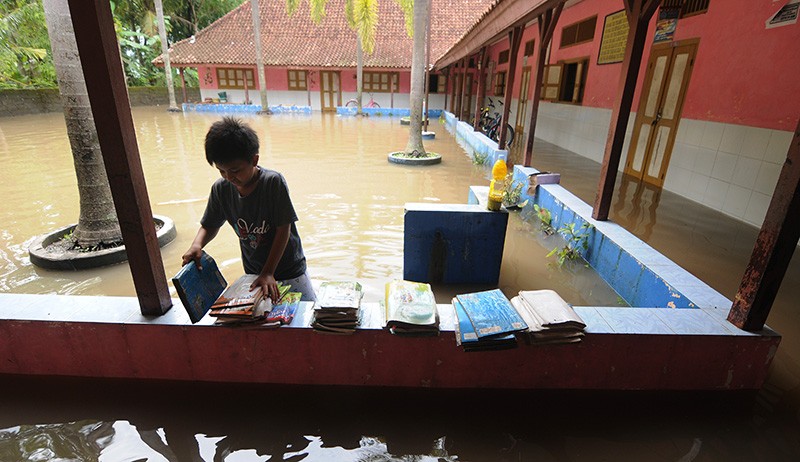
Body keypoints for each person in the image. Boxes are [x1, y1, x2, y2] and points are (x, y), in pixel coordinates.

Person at [182, 116, 315, 302]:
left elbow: (283, 230)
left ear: (254, 160)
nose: (229, 177)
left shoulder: (272, 182)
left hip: (289, 270)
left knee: (304, 318)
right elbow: (210, 224)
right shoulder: (221, 189)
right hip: (254, 273)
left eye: (235, 170)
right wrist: (197, 245)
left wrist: (269, 272)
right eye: (222, 170)